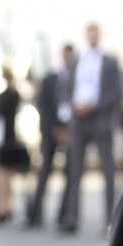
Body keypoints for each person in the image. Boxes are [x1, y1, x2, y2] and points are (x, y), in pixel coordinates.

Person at [60, 24, 122, 233]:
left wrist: (94, 105)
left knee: (107, 171)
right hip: (79, 120)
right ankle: (72, 218)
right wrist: (74, 105)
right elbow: (67, 90)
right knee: (74, 170)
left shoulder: (110, 62)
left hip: (99, 119)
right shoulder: (78, 60)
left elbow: (115, 93)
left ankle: (110, 220)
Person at [26, 44, 75, 227]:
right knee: (44, 171)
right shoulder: (50, 80)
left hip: (70, 133)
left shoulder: (76, 80)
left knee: (71, 174)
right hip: (51, 133)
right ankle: (35, 213)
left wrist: (68, 131)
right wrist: (55, 129)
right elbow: (44, 106)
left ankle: (65, 215)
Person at [0, 66, 28, 223]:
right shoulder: (15, 95)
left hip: (3, 138)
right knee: (8, 176)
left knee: (1, 174)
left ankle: (1, 207)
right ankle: (7, 206)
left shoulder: (4, 96)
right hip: (11, 137)